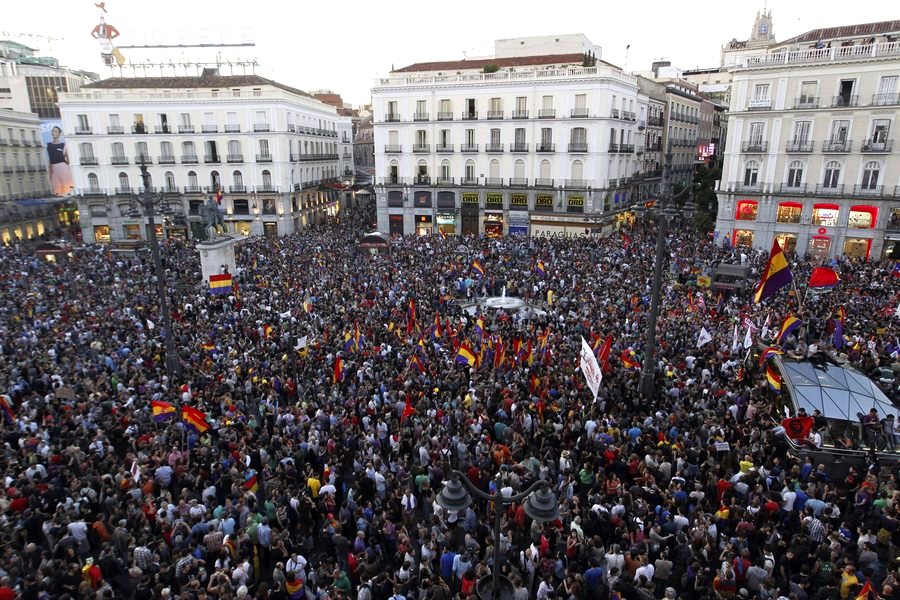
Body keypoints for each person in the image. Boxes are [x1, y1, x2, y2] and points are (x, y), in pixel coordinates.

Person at [46, 125, 72, 195]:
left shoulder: (63, 145)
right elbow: (49, 160)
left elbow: (68, 160)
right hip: (53, 168)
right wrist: (49, 172)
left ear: (59, 134)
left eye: (56, 131)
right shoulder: (48, 145)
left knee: (65, 187)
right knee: (57, 189)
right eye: (53, 131)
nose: (54, 133)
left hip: (62, 167)